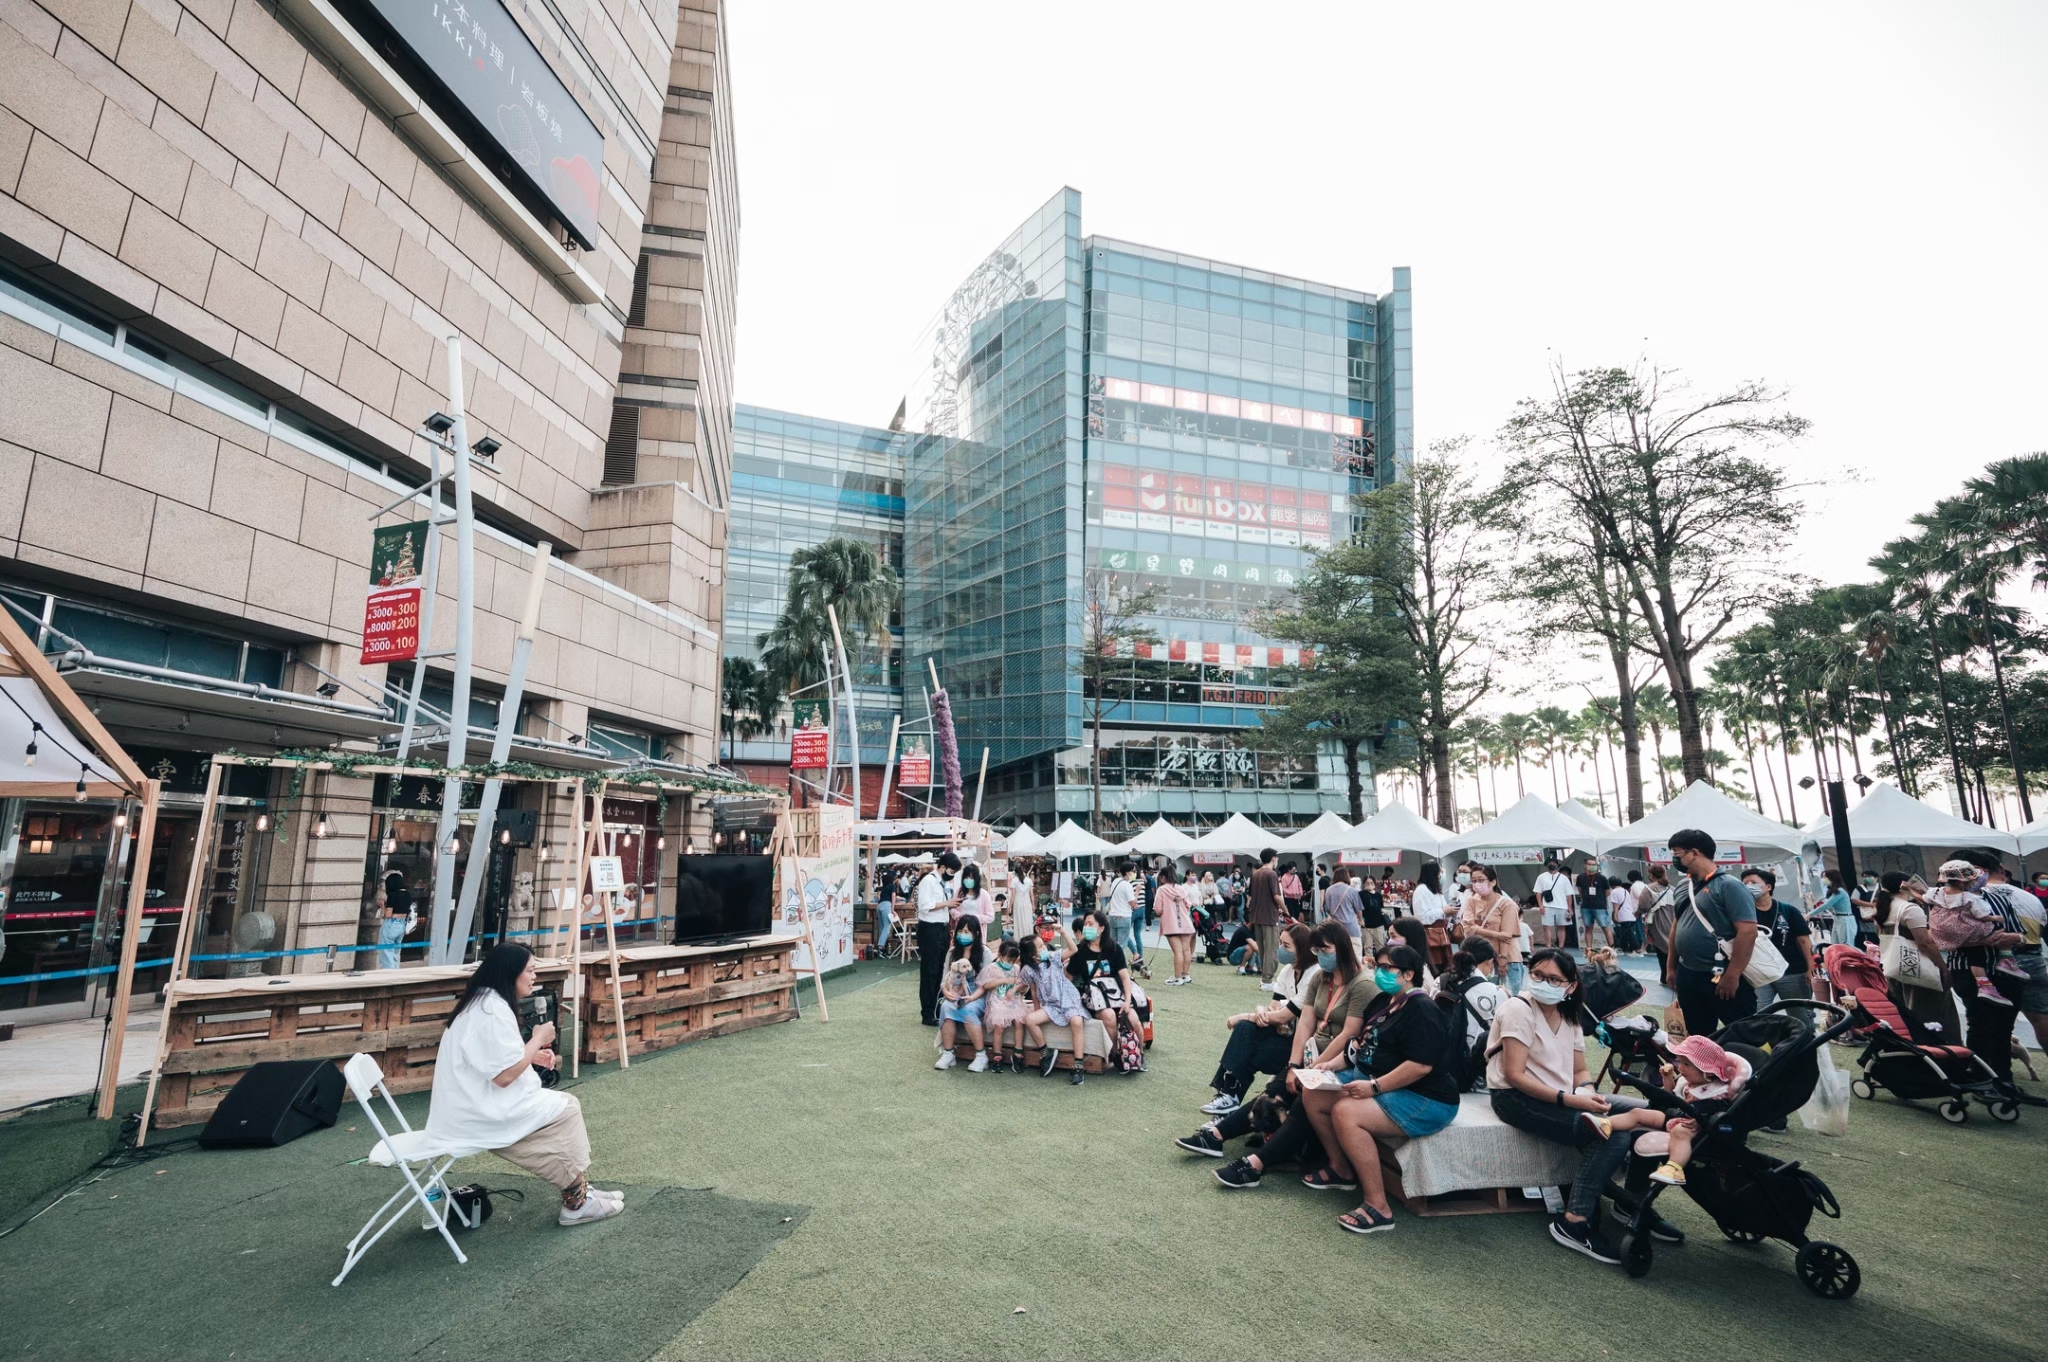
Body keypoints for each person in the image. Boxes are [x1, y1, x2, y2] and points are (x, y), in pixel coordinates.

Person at [1485, 948, 1673, 1263]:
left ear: (1570, 986)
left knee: (1654, 1115)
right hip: (1516, 1099)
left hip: (1563, 1094)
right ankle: (1574, 1222)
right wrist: (1571, 1099)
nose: (1543, 983)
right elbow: (1514, 1075)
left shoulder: (1570, 1015)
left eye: (1553, 979)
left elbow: (1580, 1071)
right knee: (1612, 1134)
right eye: (1538, 975)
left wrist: (1587, 1092)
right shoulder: (1518, 1009)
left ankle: (1630, 1201)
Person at [425, 944, 621, 1225]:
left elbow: (490, 1061)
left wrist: (532, 1055)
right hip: (475, 1114)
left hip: (466, 1107)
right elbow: (504, 1076)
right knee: (566, 1110)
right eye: (530, 970)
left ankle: (579, 1192)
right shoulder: (490, 1011)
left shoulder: (482, 1004)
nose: (534, 977)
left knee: (561, 1110)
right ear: (510, 973)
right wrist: (538, 1039)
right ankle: (577, 1201)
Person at [1186, 926, 1379, 1182]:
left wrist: (1309, 1070)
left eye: (1325, 949)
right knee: (1277, 1086)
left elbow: (1348, 1035)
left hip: (1339, 1062)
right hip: (1313, 1056)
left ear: (1342, 947)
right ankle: (1218, 1134)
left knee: (1298, 1100)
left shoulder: (1362, 984)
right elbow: (1306, 1023)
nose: (1321, 955)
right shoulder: (1321, 977)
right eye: (1317, 950)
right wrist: (1294, 1065)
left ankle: (1254, 1163)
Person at [1295, 943, 1460, 1234]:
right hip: (1376, 1081)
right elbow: (1361, 1045)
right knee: (1314, 1094)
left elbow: (1421, 1066)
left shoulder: (1421, 1008)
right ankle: (1341, 1169)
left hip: (1426, 1097)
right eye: (1377, 966)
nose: (1379, 973)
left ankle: (1378, 1207)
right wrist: (1331, 1065)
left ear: (1408, 974)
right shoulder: (1384, 1000)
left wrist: (1374, 1087)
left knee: (1346, 1112)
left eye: (1386, 968)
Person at [1202, 922, 1324, 1115]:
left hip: (1301, 1047)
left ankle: (1227, 1096)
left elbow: (1284, 1015)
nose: (1280, 949)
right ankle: (1228, 1096)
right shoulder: (1287, 971)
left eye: (1286, 945)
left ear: (1301, 948)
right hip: (1285, 1035)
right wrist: (1259, 1010)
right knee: (1245, 1029)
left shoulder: (1314, 974)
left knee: (1247, 1048)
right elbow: (1273, 1009)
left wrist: (1246, 1015)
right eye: (1280, 943)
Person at [1960, 849, 2048, 1092]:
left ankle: (1988, 1075)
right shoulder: (2028, 897)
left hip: (1989, 961)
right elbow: (2039, 930)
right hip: (2032, 957)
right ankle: (2002, 1075)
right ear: (2001, 869)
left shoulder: (1971, 896)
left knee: (1986, 1021)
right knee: (2041, 1017)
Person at [1666, 828, 1759, 1038]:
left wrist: (1733, 974)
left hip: (1721, 973)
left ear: (1695, 853)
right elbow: (1676, 926)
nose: (1674, 859)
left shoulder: (1730, 886)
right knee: (1698, 1035)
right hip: (1688, 974)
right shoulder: (1682, 886)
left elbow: (1747, 932)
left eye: (1677, 853)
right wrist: (1671, 966)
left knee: (1742, 1033)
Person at [1067, 910, 1142, 1057]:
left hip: (1116, 995)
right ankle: (1115, 1054)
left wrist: (1127, 1001)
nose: (1086, 927)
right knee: (1109, 1015)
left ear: (1101, 928)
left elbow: (1125, 977)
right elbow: (1068, 977)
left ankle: (1140, 1055)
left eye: (1091, 924)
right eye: (1085, 924)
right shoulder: (1080, 951)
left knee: (1133, 1019)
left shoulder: (1113, 948)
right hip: (1094, 999)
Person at [1018, 929, 1088, 1085]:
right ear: (1032, 955)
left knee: (1077, 1022)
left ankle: (1078, 1066)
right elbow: (1034, 992)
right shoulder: (1028, 970)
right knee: (1030, 1020)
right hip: (1050, 1005)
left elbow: (1073, 949)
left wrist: (1062, 932)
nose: (1044, 948)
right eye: (1040, 947)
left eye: (1043, 945)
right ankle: (1046, 1053)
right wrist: (1037, 1010)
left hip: (1069, 1000)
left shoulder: (1053, 957)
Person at [1743, 867, 1814, 1016]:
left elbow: (1803, 940)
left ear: (1769, 887)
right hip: (1759, 973)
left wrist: (1810, 967)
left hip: (1792, 972)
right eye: (1745, 883)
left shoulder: (1788, 911)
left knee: (1799, 1014)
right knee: (1758, 1015)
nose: (1748, 886)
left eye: (1753, 883)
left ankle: (1803, 1032)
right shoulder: (1742, 913)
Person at [935, 916, 992, 1072]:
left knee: (967, 1009)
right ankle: (948, 1053)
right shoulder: (952, 952)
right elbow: (944, 978)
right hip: (955, 991)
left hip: (978, 994)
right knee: (946, 1007)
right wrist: (946, 992)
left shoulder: (984, 952)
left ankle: (981, 1056)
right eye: (960, 931)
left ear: (976, 933)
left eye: (967, 931)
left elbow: (986, 983)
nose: (963, 934)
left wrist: (972, 997)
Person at [1458, 864, 1523, 994]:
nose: (1477, 884)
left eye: (1481, 880)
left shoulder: (1507, 904)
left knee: (1510, 997)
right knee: (1485, 996)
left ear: (1493, 882)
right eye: (1474, 881)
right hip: (1482, 958)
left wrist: (1503, 958)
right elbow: (1468, 929)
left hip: (1508, 958)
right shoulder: (1471, 901)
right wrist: (1497, 934)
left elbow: (1507, 936)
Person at [915, 852, 963, 1025]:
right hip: (929, 929)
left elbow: (941, 906)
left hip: (942, 928)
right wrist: (947, 904)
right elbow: (924, 906)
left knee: (941, 971)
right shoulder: (928, 881)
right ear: (942, 867)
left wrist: (951, 905)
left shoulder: (943, 883)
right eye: (951, 871)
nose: (952, 875)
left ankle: (936, 1008)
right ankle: (927, 1013)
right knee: (930, 972)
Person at [983, 938, 1031, 1072]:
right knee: (999, 1025)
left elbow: (1023, 984)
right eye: (1008, 960)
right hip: (997, 1000)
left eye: (1013, 961)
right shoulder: (992, 968)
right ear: (1000, 955)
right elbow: (985, 985)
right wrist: (1003, 980)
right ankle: (997, 1056)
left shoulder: (1016, 969)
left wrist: (1018, 988)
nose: (1010, 963)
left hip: (1013, 1001)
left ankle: (1018, 1053)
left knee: (1020, 1021)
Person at [1155, 862, 1197, 985]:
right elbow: (1188, 905)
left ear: (1163, 877)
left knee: (1178, 952)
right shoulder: (1182, 889)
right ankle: (1185, 975)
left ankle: (1177, 977)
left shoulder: (1162, 890)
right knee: (1186, 950)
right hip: (1186, 923)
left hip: (1171, 925)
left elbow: (1158, 909)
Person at [1247, 848, 1284, 984]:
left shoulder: (1255, 874)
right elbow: (1276, 896)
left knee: (1263, 949)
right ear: (1273, 858)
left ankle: (1265, 978)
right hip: (1270, 916)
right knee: (1272, 949)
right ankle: (1267, 980)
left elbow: (1250, 896)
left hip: (1257, 916)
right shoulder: (1272, 874)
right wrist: (1285, 909)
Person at [1410, 860, 1452, 973]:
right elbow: (1421, 916)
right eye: (1439, 872)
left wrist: (1449, 911)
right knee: (1434, 966)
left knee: (1445, 966)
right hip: (1430, 934)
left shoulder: (1436, 890)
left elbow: (1443, 909)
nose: (1441, 876)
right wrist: (1443, 911)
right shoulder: (1421, 890)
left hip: (1441, 933)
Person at [1105, 862, 1144, 978]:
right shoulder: (1127, 885)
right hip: (1124, 916)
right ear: (1127, 872)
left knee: (1113, 944)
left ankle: (1111, 968)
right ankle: (1120, 971)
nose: (1134, 873)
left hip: (1113, 916)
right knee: (1121, 946)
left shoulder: (1115, 881)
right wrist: (1137, 891)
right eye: (1133, 871)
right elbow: (1132, 903)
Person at [374, 871, 415, 970]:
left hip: (391, 924)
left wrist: (382, 906)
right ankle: (396, 973)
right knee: (396, 952)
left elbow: (388, 914)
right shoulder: (407, 894)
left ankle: (388, 974)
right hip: (402, 924)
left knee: (386, 953)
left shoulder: (393, 895)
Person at [1643, 866, 1677, 980]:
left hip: (1657, 922)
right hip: (1673, 921)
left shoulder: (1648, 888)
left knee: (1661, 948)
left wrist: (1637, 913)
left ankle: (1665, 976)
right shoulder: (1673, 889)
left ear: (1651, 875)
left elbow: (1643, 906)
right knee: (1673, 946)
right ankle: (1673, 973)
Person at [1533, 858, 1575, 949]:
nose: (1552, 864)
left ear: (1557, 865)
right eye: (1550, 863)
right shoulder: (1541, 877)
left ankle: (1561, 947)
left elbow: (1569, 894)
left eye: (1554, 863)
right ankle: (1548, 946)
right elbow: (1538, 892)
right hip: (1547, 905)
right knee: (1546, 926)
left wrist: (1569, 907)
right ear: (1546, 865)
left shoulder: (1564, 878)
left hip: (1562, 906)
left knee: (1562, 926)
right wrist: (1540, 905)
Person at [1575, 858, 1613, 953]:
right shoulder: (1581, 877)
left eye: (1594, 864)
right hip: (1586, 906)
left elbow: (1607, 892)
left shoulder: (1602, 878)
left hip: (1600, 907)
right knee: (1588, 927)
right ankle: (1589, 949)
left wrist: (1600, 898)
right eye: (1590, 864)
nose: (1592, 866)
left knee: (1605, 926)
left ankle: (1612, 948)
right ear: (1585, 866)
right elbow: (1580, 890)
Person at [1322, 866, 1364, 946]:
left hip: (1336, 928)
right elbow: (1358, 909)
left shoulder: (1328, 890)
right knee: (1355, 951)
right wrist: (1361, 920)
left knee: (1339, 951)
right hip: (1351, 928)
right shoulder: (1352, 890)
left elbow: (1327, 909)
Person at [1816, 869, 1855, 951]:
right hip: (1837, 919)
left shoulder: (1840, 891)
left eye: (1825, 877)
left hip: (1845, 919)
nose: (1823, 879)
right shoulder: (1831, 892)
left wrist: (1809, 914)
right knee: (1834, 945)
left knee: (1846, 946)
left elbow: (1826, 905)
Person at [1357, 875, 1389, 953]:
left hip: (1379, 924)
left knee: (1381, 945)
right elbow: (1358, 908)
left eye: (1371, 882)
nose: (1369, 884)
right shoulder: (1360, 894)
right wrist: (1360, 920)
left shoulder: (1378, 895)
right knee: (1368, 947)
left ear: (1374, 883)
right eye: (1367, 883)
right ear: (1364, 884)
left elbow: (1380, 908)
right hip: (1366, 924)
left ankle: (1381, 960)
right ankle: (1369, 960)